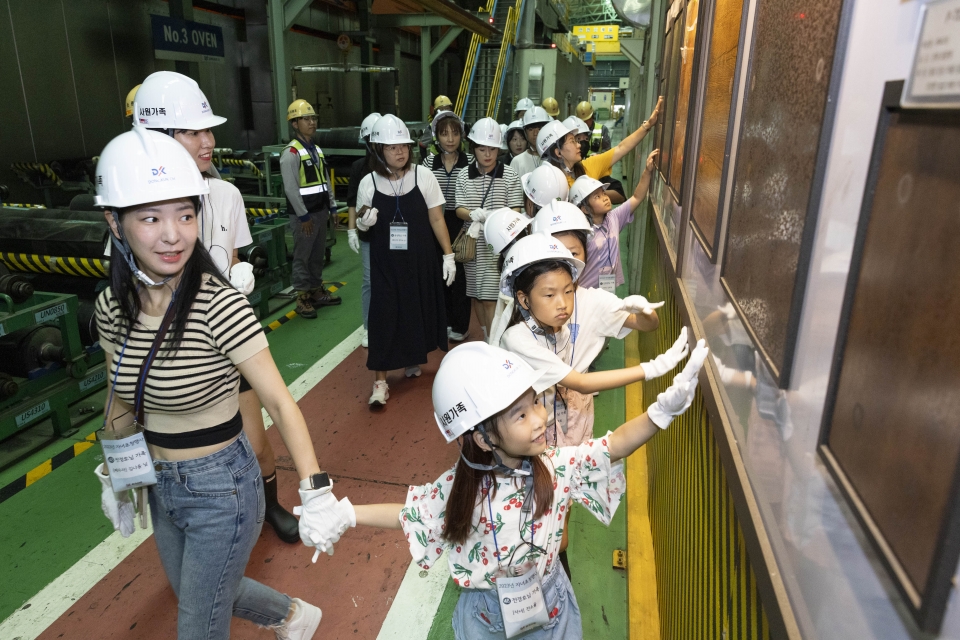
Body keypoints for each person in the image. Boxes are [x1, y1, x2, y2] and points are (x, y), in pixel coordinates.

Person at [93, 128, 338, 639]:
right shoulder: (111, 308)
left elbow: (277, 399)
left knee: (197, 626)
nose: (172, 234)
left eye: (185, 215)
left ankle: (291, 617)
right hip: (160, 483)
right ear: (114, 222)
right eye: (150, 218)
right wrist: (116, 473)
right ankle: (292, 616)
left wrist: (315, 491)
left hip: (221, 487)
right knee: (194, 591)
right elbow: (120, 395)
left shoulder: (218, 304)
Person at [303, 339, 708, 640]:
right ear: (482, 437)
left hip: (551, 606)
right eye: (520, 414)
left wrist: (661, 412)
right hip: (486, 618)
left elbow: (611, 445)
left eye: (535, 403)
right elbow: (409, 512)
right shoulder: (460, 490)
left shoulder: (555, 464)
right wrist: (347, 513)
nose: (539, 418)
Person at [133, 70, 299, 543]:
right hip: (167, 351)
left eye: (208, 129)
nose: (208, 140)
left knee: (257, 442)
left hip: (223, 339)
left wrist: (239, 276)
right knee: (174, 452)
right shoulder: (132, 205)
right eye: (193, 131)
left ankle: (269, 503)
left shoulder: (225, 195)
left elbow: (234, 255)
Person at [499, 232, 673, 446]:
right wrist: (651, 369)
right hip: (526, 435)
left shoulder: (556, 328)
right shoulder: (518, 339)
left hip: (549, 420)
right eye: (549, 295)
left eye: (568, 291)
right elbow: (581, 383)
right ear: (524, 300)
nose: (562, 303)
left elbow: (648, 324)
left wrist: (644, 310)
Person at [355, 114, 456, 406]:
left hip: (420, 260)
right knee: (383, 317)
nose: (401, 152)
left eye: (404, 146)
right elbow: (361, 217)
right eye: (392, 147)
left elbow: (437, 218)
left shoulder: (423, 176)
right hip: (386, 264)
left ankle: (412, 359)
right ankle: (380, 382)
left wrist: (448, 255)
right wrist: (364, 223)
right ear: (377, 150)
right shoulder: (368, 182)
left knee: (416, 309)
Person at [454, 118, 524, 340]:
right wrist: (471, 213)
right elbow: (459, 208)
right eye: (481, 148)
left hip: (499, 243)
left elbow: (515, 207)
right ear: (473, 148)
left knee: (492, 296)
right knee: (476, 293)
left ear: (498, 148)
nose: (487, 154)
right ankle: (487, 335)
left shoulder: (510, 174)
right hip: (474, 244)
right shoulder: (464, 175)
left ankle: (494, 339)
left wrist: (497, 218)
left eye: (492, 149)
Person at [281, 99, 340, 319]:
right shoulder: (291, 153)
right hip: (303, 216)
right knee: (302, 256)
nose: (312, 122)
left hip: (320, 211)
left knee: (317, 255)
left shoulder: (316, 150)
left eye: (313, 118)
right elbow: (290, 188)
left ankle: (316, 291)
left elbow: (325, 181)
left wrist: (332, 208)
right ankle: (302, 297)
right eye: (306, 119)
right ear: (295, 124)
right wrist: (303, 215)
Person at [568, 149, 659, 291]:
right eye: (597, 197)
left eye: (603, 193)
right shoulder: (581, 233)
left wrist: (647, 171)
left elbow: (636, 197)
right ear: (584, 208)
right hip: (585, 291)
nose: (605, 198)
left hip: (608, 288)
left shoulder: (614, 218)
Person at [423, 111, 473, 342]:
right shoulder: (428, 163)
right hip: (436, 222)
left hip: (463, 223)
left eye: (454, 133)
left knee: (461, 276)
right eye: (444, 134)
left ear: (461, 135)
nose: (450, 139)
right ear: (437, 137)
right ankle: (443, 321)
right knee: (439, 274)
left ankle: (460, 325)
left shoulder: (471, 161)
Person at [547, 97, 664, 188]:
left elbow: (621, 148)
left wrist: (647, 126)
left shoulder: (589, 166)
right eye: (574, 141)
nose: (579, 144)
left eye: (584, 139)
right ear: (558, 152)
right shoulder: (550, 179)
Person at [347, 112, 382, 348]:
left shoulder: (395, 167)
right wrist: (352, 230)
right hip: (368, 234)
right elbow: (352, 203)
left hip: (392, 235)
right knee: (370, 280)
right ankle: (369, 327)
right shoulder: (358, 168)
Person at [563, 116, 625, 205]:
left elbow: (620, 195)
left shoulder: (590, 165)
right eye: (577, 139)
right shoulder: (557, 177)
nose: (581, 144)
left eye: (586, 139)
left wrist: (595, 194)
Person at [510, 106, 551, 178]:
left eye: (539, 128)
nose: (535, 133)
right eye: (531, 129)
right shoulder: (517, 161)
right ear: (525, 132)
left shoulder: (555, 157)